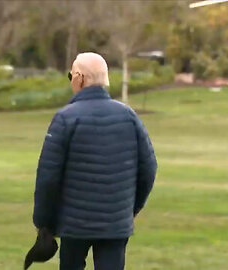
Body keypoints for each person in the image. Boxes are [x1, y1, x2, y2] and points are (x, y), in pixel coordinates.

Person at [32, 52, 157, 270]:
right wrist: (130, 209)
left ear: (79, 78)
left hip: (74, 224)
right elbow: (149, 168)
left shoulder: (65, 118)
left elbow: (48, 177)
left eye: (71, 75)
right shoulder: (129, 116)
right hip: (115, 223)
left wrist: (43, 222)